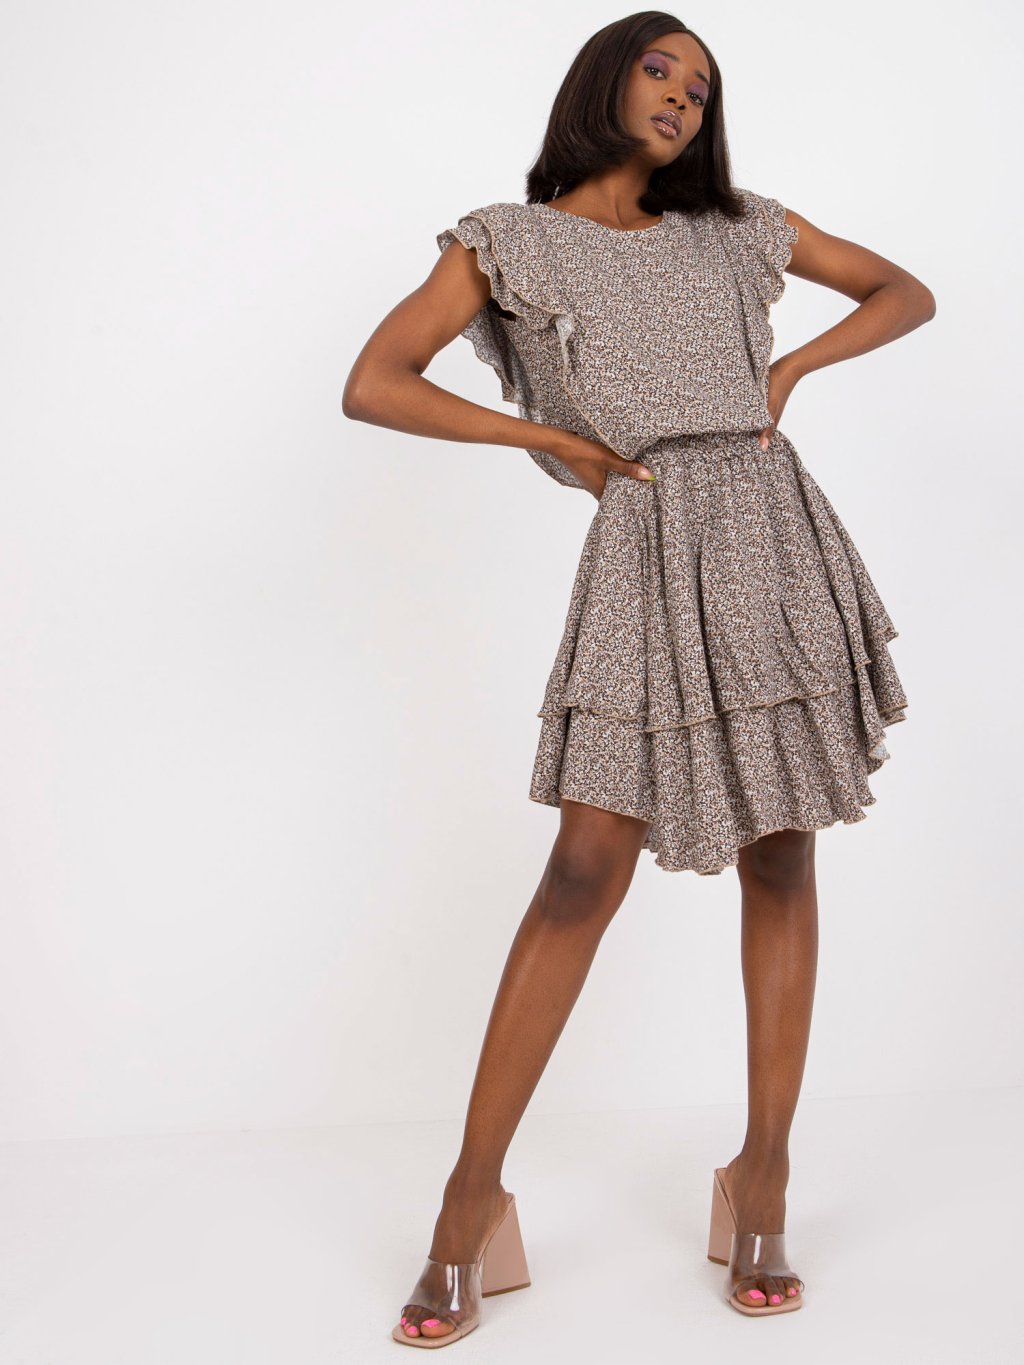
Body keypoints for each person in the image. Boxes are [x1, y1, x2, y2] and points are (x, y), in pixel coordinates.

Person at [343, 10, 934, 1347]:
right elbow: (376, 382)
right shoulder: (509, 238)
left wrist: (791, 364)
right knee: (583, 866)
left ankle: (763, 1178)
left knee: (783, 852)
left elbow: (905, 290)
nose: (681, 98)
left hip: (772, 534)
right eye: (661, 70)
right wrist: (547, 438)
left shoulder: (740, 228)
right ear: (604, 79)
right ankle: (469, 1200)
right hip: (646, 540)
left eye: (701, 88)